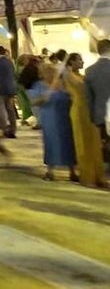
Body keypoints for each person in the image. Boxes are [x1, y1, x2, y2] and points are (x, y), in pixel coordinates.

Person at [59, 53, 107, 188]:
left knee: (94, 143)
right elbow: (81, 90)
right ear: (72, 62)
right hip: (79, 110)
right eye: (79, 59)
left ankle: (98, 176)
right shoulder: (68, 75)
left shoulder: (81, 75)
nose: (82, 62)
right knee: (83, 143)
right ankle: (88, 177)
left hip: (90, 110)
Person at [28, 64, 77, 182]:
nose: (49, 74)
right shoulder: (39, 85)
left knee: (68, 144)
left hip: (65, 118)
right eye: (46, 72)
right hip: (49, 119)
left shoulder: (63, 84)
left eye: (51, 72)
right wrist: (43, 98)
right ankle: (50, 171)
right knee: (51, 143)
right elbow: (33, 102)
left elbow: (74, 97)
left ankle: (72, 171)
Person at [85, 38, 110, 145]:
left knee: (105, 143)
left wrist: (91, 115)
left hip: (100, 114)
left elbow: (89, 97)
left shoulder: (90, 70)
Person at [0, 46, 19, 138]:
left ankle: (5, 129)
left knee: (1, 110)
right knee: (11, 110)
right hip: (11, 89)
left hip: (1, 89)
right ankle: (13, 129)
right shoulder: (10, 61)